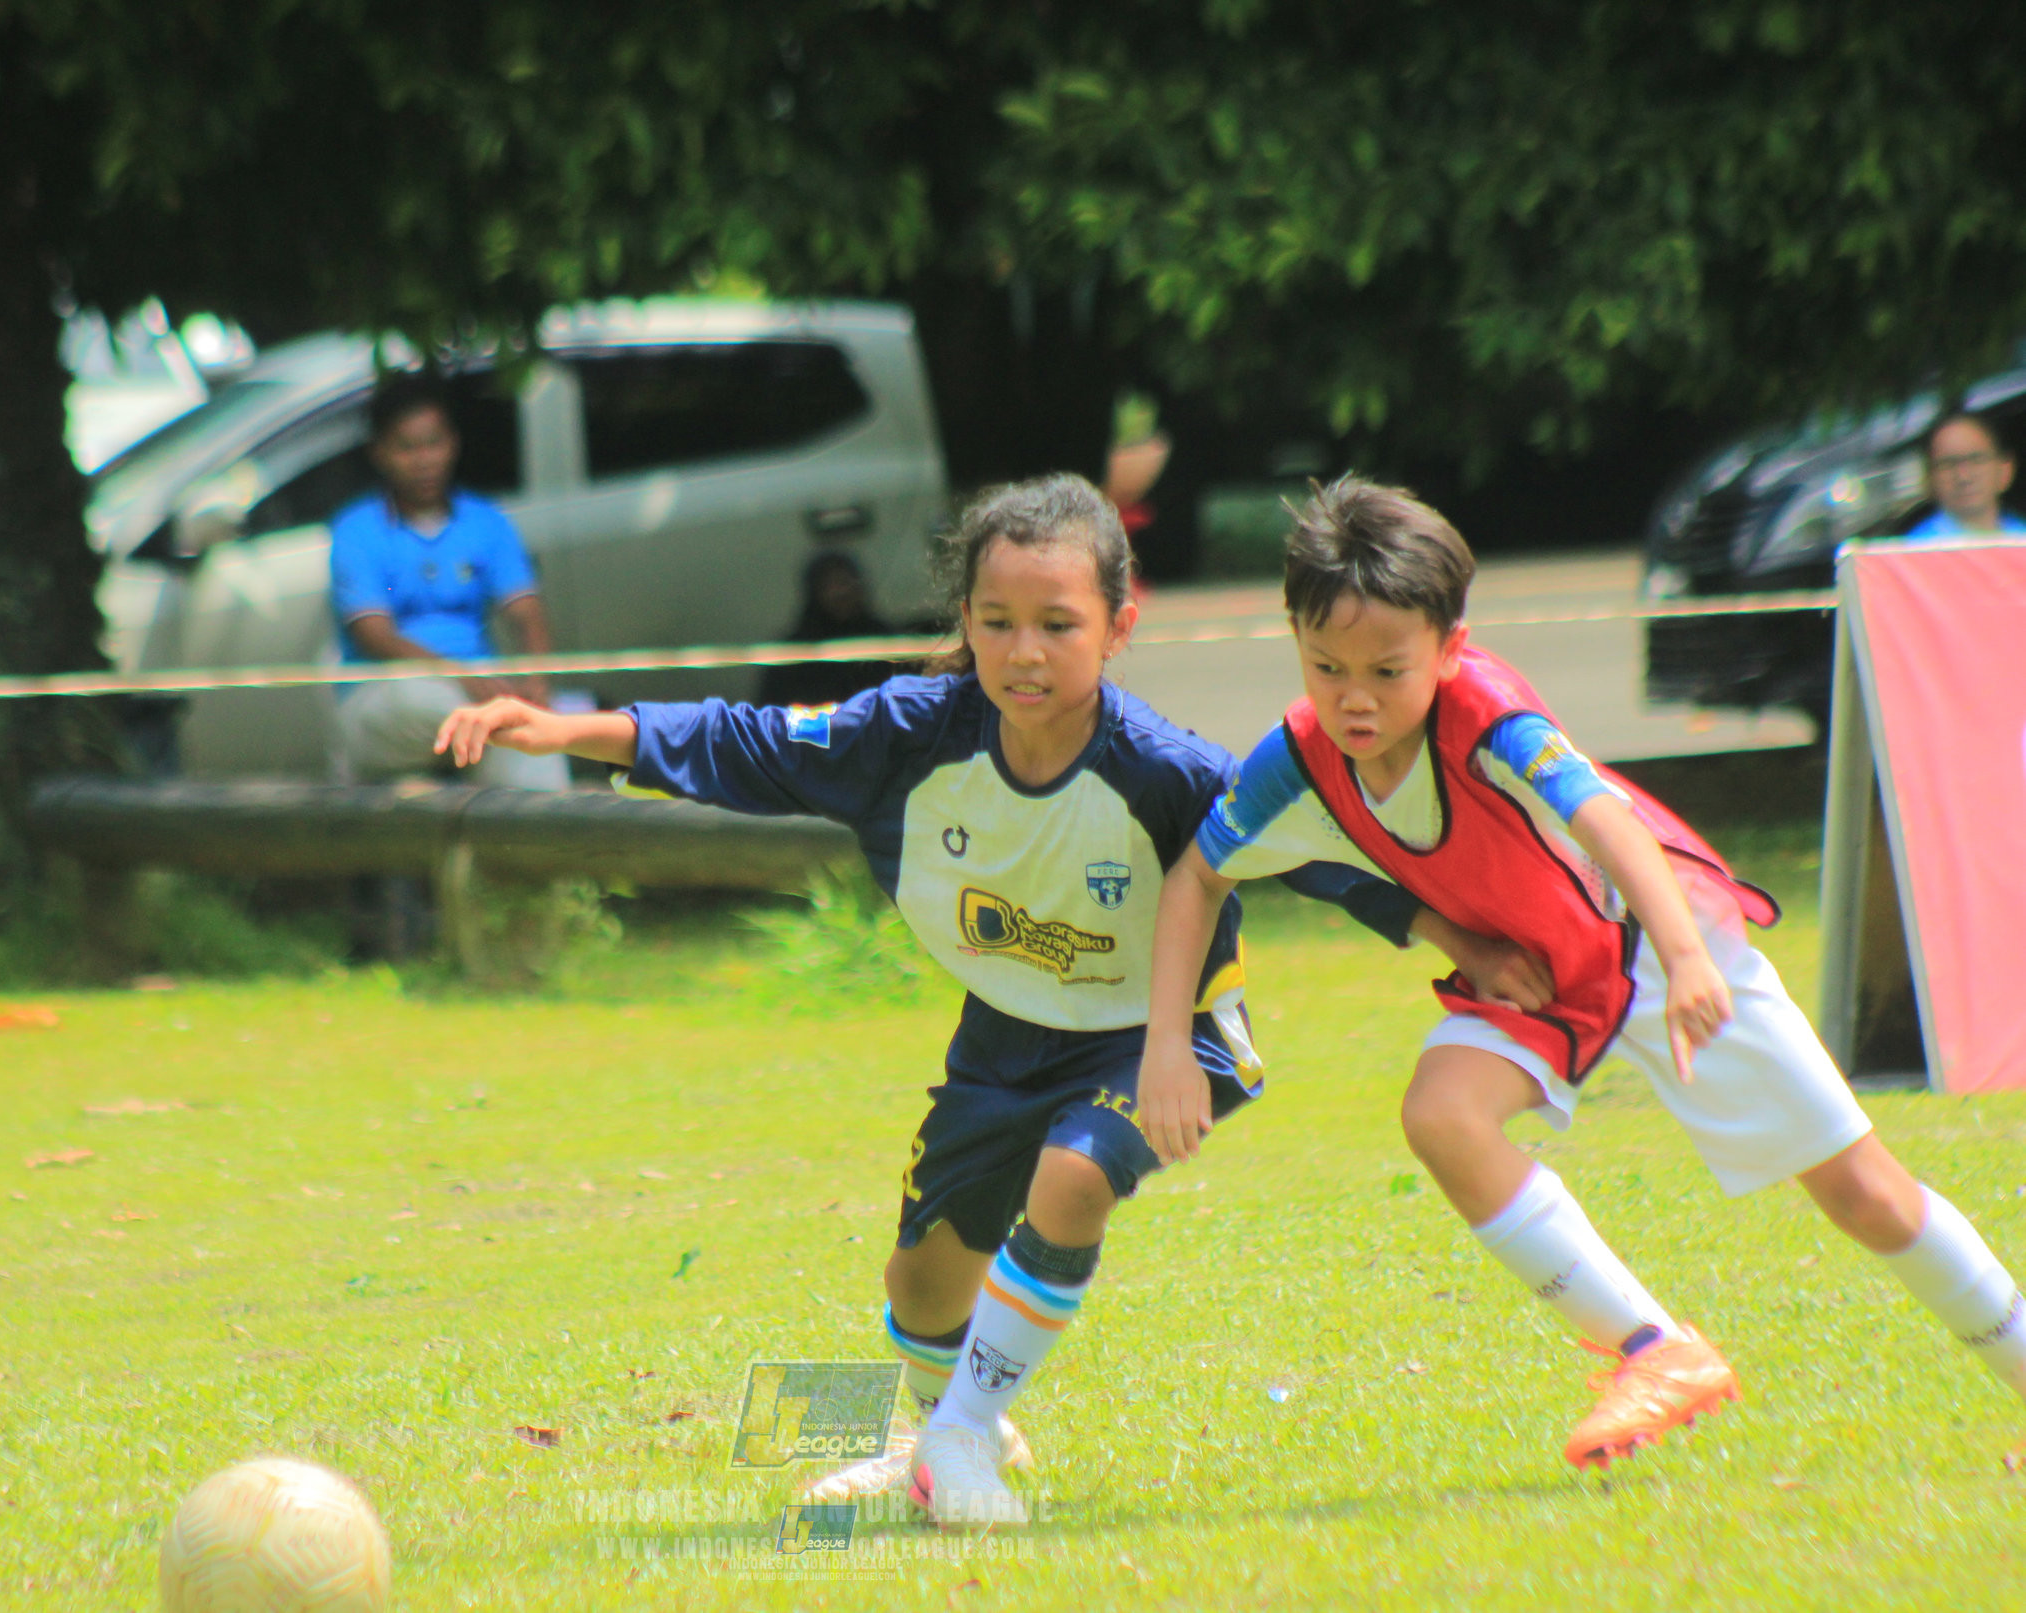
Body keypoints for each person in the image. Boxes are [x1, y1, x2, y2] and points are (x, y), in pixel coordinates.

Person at [433, 474, 1422, 1527]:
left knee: (1075, 1172)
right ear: (964, 621)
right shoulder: (908, 735)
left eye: (1056, 623)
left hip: (1162, 1037)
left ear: (1117, 626)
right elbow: (745, 742)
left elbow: (1322, 854)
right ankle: (949, 1427)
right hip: (1003, 1038)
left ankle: (954, 1443)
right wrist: (560, 729)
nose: (1024, 650)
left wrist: (1462, 937)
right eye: (996, 622)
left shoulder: (1164, 770)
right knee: (920, 1284)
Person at [1139, 475, 2026, 1470]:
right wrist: (1168, 1044)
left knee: (1865, 1194)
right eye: (1323, 665)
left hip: (1651, 942)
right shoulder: (1294, 761)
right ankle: (1655, 1348)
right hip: (1536, 977)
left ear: (1450, 643)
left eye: (1386, 669)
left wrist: (1690, 957)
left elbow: (1603, 817)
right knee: (1440, 1112)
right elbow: (1195, 878)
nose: (1353, 696)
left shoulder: (1490, 715)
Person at [329, 373, 568, 789]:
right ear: (379, 453)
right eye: (407, 447)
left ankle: (541, 836)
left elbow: (526, 610)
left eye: (433, 443)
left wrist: (537, 684)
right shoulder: (357, 530)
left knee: (531, 732)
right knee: (456, 709)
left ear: (453, 443)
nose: (424, 459)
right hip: (388, 695)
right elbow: (375, 636)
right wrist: (466, 680)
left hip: (478, 691)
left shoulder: (486, 521)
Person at [753, 551, 906, 710]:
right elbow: (773, 718)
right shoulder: (793, 655)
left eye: (845, 583)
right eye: (830, 585)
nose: (841, 592)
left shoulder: (885, 641)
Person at [1907, 411, 2026, 537]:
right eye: (1948, 464)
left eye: (1976, 460)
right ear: (1929, 477)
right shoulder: (1914, 551)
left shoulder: (2020, 538)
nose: (1964, 477)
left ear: (2005, 470)